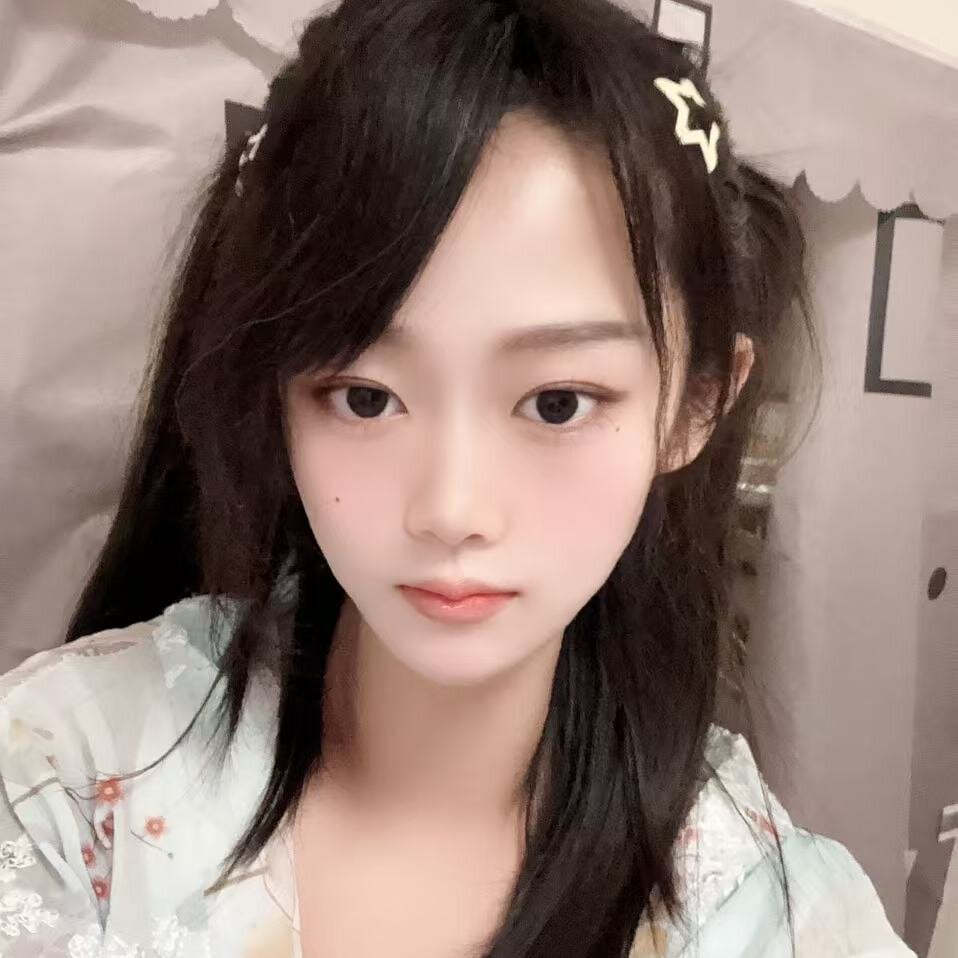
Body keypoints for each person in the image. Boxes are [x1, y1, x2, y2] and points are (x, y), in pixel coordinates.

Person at [0, 0, 915, 955]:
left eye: (557, 402)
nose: (452, 510)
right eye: (364, 397)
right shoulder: (60, 787)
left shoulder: (772, 917)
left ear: (696, 405)